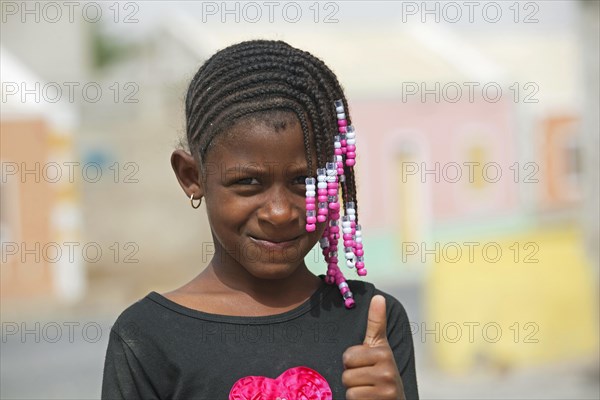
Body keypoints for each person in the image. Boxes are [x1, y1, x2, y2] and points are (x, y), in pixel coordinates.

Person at [101, 40, 419, 400]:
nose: (280, 212)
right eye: (248, 182)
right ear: (192, 176)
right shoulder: (148, 338)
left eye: (305, 181)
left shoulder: (371, 324)